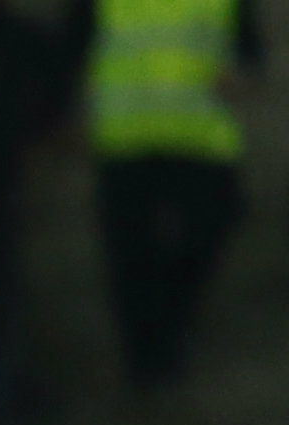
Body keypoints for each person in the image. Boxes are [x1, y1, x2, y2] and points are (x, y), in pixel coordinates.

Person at [91, 0, 252, 386]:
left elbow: (249, 47)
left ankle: (166, 336)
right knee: (130, 255)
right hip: (126, 135)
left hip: (201, 135)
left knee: (204, 231)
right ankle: (145, 358)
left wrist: (241, 73)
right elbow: (75, 40)